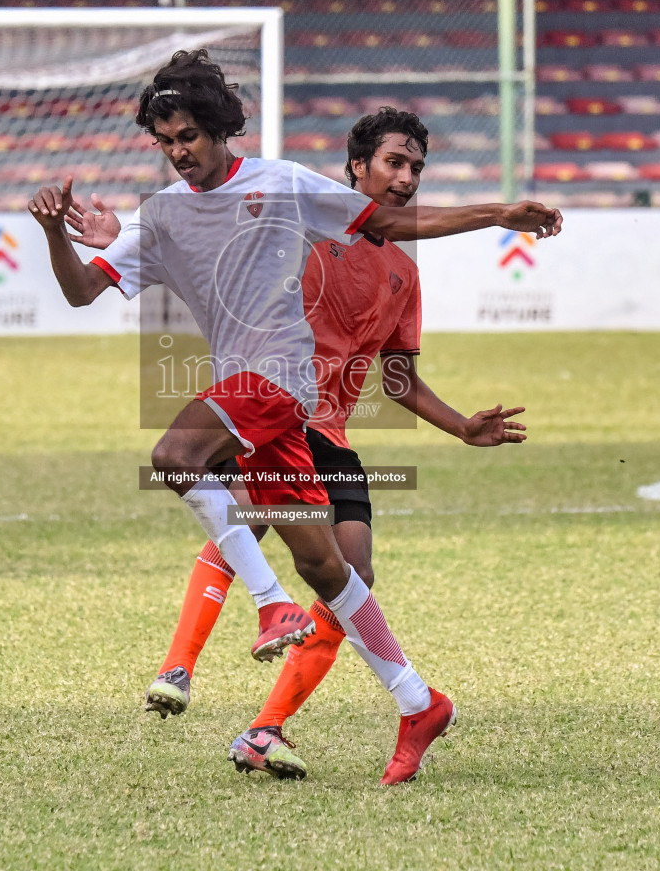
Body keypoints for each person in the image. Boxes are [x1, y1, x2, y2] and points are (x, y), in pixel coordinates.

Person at [29, 50, 561, 783]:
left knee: (174, 455)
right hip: (261, 404)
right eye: (166, 141)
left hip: (277, 381)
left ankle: (268, 607)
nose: (178, 151)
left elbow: (388, 225)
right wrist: (59, 233)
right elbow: (84, 291)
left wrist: (499, 213)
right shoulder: (165, 215)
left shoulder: (282, 184)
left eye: (187, 135)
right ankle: (417, 700)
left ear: (218, 128)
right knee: (333, 569)